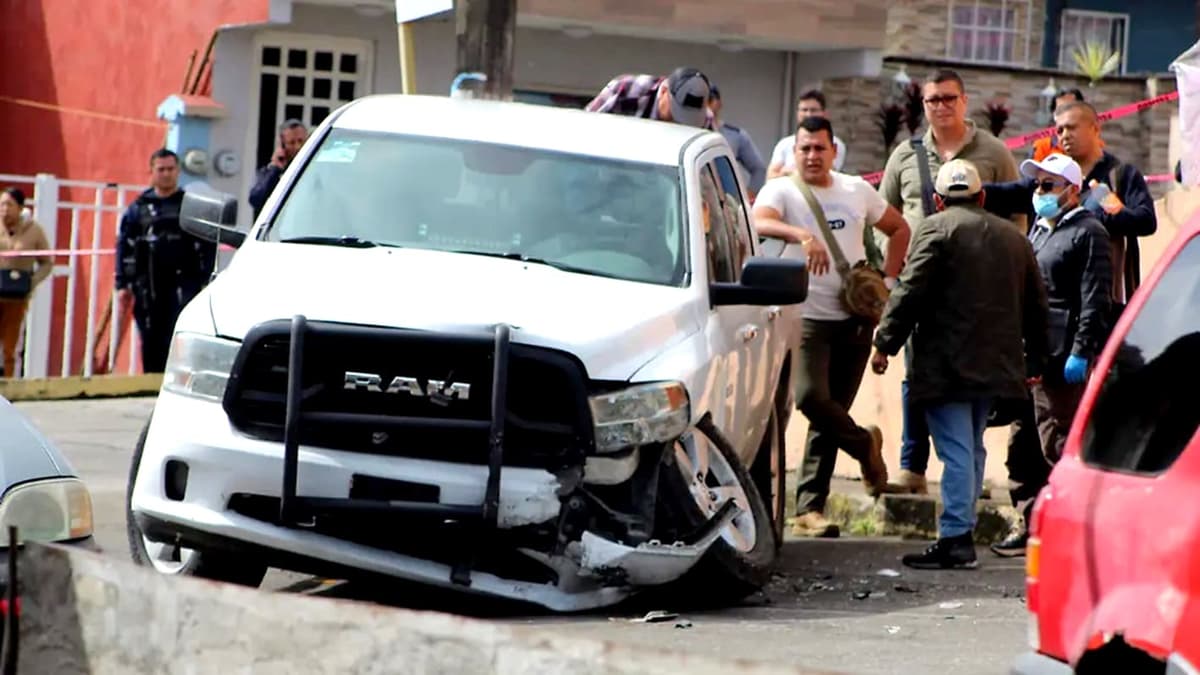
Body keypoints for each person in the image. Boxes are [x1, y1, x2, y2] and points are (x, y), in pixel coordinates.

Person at [871, 159, 1048, 570]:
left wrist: (884, 343)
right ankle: (961, 530)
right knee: (971, 446)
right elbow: (1037, 305)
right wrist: (1036, 359)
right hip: (998, 366)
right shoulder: (1014, 238)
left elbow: (909, 292)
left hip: (947, 365)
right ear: (982, 196)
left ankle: (955, 537)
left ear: (937, 199)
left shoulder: (935, 228)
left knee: (956, 450)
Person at [752, 116, 912, 538]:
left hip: (854, 319)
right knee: (810, 398)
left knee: (831, 413)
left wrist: (890, 281)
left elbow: (899, 228)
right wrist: (802, 236)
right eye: (804, 148)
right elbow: (759, 221)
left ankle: (809, 508)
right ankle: (865, 446)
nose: (812, 155)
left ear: (833, 151)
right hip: (804, 318)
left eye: (819, 148)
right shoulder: (783, 189)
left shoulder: (856, 189)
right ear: (794, 151)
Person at [877, 68, 1024, 496]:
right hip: (919, 284)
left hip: (978, 291)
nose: (940, 106)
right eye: (932, 100)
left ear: (964, 101)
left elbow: (1016, 218)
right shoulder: (905, 155)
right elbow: (882, 215)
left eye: (948, 98)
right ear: (922, 106)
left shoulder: (994, 152)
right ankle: (912, 467)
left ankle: (966, 474)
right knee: (914, 377)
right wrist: (888, 274)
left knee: (973, 379)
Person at [990, 153, 1112, 557]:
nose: (1038, 193)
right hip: (1031, 353)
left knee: (1057, 442)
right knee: (1022, 445)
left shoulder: (1088, 232)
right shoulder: (1039, 231)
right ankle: (1030, 523)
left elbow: (1095, 299)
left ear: (1072, 191)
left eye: (1047, 186)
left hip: (1063, 357)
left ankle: (1079, 530)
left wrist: (1082, 351)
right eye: (1036, 185)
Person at [984, 101, 1156, 309]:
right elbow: (1006, 194)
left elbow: (1146, 221)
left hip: (1104, 303)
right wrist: (971, 191)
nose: (1064, 135)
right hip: (1054, 306)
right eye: (1059, 130)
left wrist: (1108, 206)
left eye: (1071, 127)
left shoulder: (1120, 175)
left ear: (1095, 128)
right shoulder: (1048, 178)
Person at [116, 149, 217, 373]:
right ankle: (151, 385)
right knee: (151, 339)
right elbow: (124, 246)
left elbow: (208, 245)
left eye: (170, 169)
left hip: (183, 285)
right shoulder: (139, 208)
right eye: (161, 169)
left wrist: (206, 278)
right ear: (151, 172)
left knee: (180, 338)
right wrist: (122, 284)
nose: (166, 174)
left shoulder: (189, 206)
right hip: (148, 287)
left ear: (178, 171)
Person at [0, 187, 52, 378]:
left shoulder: (34, 230)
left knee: (10, 346)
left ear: (20, 207)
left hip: (16, 297)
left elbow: (47, 263)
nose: (5, 209)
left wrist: (32, 281)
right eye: (2, 204)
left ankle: (8, 387)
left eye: (9, 205)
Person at [585, 67, 713, 128]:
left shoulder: (706, 121)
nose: (676, 121)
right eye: (673, 113)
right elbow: (586, 125)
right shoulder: (627, 91)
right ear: (664, 91)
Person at [767, 90, 846, 177]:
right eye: (804, 110)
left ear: (824, 113)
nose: (808, 114)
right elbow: (770, 176)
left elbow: (826, 173)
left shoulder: (834, 142)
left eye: (814, 110)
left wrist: (786, 171)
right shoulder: (784, 144)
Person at [708, 84, 768, 195]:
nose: (707, 104)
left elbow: (759, 169)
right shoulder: (687, 131)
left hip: (725, 201)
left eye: (710, 99)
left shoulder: (734, 135)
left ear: (719, 103)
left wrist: (747, 197)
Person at [249, 119, 308, 219]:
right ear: (283, 145)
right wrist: (275, 169)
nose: (298, 147)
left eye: (301, 141)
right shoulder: (271, 172)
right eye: (292, 142)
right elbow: (255, 200)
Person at [1029, 88, 1101, 162]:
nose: (1066, 115)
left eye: (1070, 109)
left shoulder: (1093, 146)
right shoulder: (1041, 146)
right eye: (1060, 110)